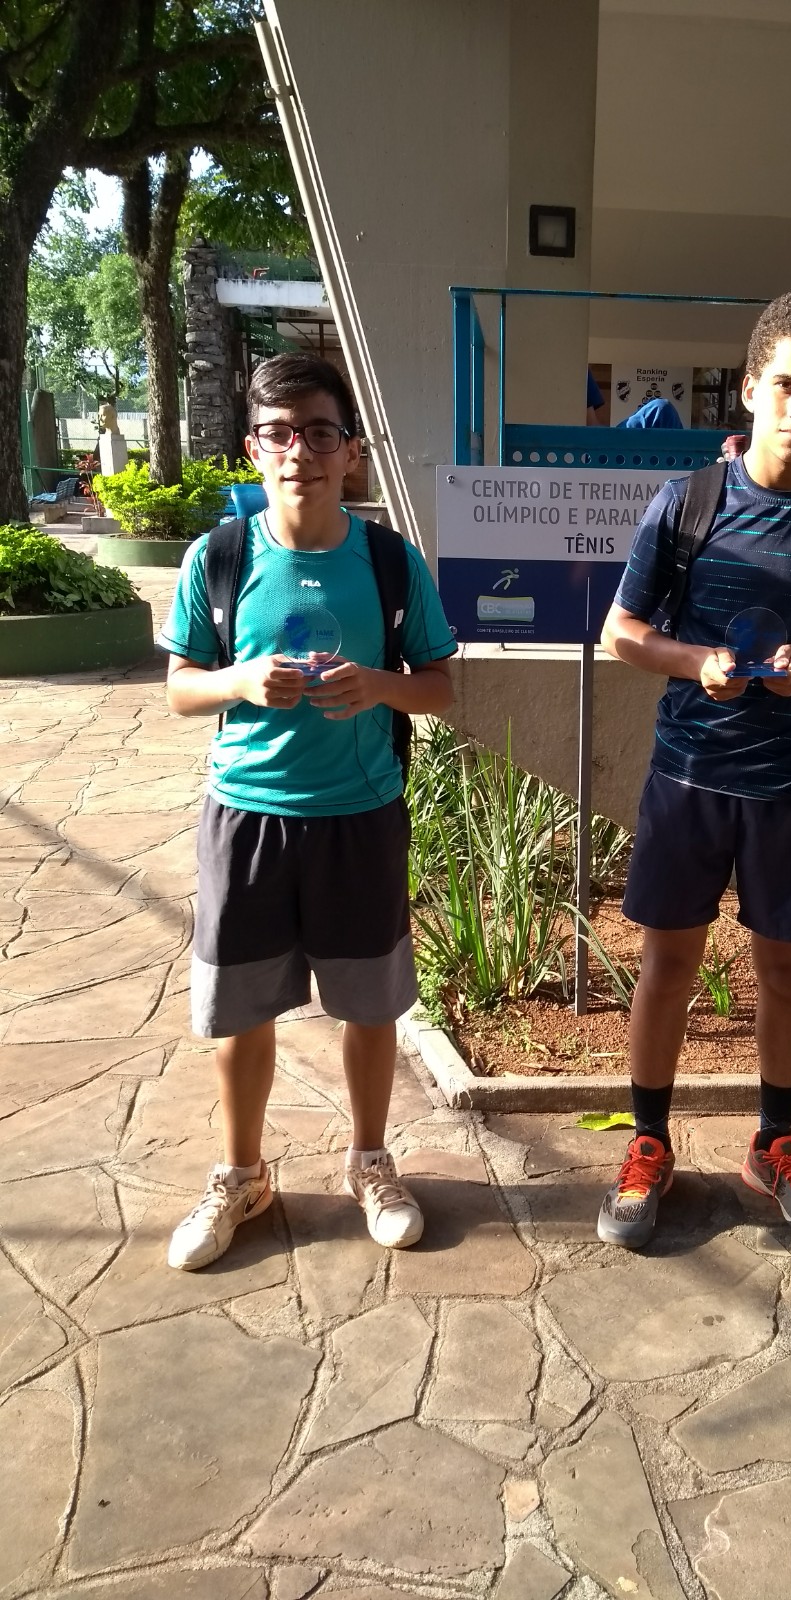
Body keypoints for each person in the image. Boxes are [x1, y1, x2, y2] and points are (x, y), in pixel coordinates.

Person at [596, 289, 791, 1250]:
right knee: (668, 967)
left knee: (787, 973)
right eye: (786, 385)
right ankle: (648, 1143)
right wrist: (696, 661)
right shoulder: (688, 502)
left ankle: (774, 1144)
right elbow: (621, 633)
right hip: (689, 778)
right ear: (749, 388)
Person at [157, 353, 457, 1271]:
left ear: (351, 451)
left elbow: (440, 685)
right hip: (246, 817)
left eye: (321, 433)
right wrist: (239, 680)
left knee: (370, 1006)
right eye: (280, 434)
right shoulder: (219, 557)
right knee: (239, 1010)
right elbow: (179, 688)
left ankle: (370, 1162)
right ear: (254, 449)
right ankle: (242, 1175)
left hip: (360, 817)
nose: (301, 452)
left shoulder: (389, 563)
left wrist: (378, 685)